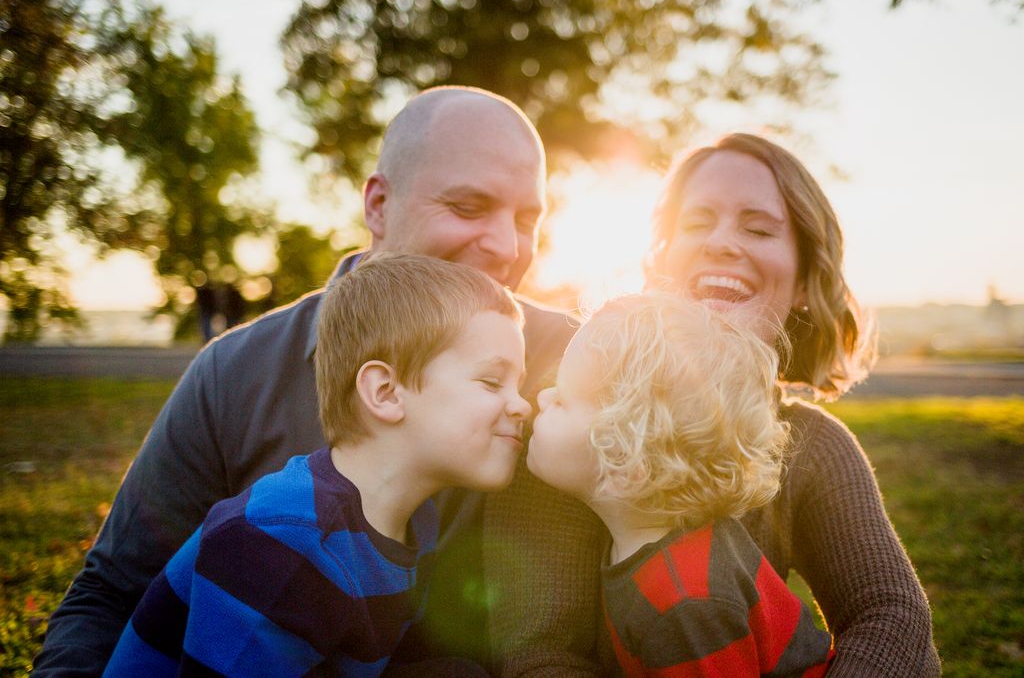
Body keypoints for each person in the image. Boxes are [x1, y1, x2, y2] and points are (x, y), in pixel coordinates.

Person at [33, 87, 591, 676]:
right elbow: (113, 589)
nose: (506, 248)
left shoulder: (574, 359)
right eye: (468, 207)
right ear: (378, 205)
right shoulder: (235, 375)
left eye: (527, 219)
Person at [102, 254, 531, 677]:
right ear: (385, 393)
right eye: (493, 382)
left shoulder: (418, 521)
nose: (522, 405)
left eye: (520, 384)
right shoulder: (281, 541)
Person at [644, 133, 939, 675]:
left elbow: (891, 614)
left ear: (804, 278)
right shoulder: (577, 414)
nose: (721, 243)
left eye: (757, 228)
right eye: (695, 223)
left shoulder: (812, 446)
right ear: (660, 258)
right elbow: (540, 644)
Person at [528, 292, 835, 676]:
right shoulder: (660, 551)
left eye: (563, 400)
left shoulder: (688, 603)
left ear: (626, 463)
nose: (541, 396)